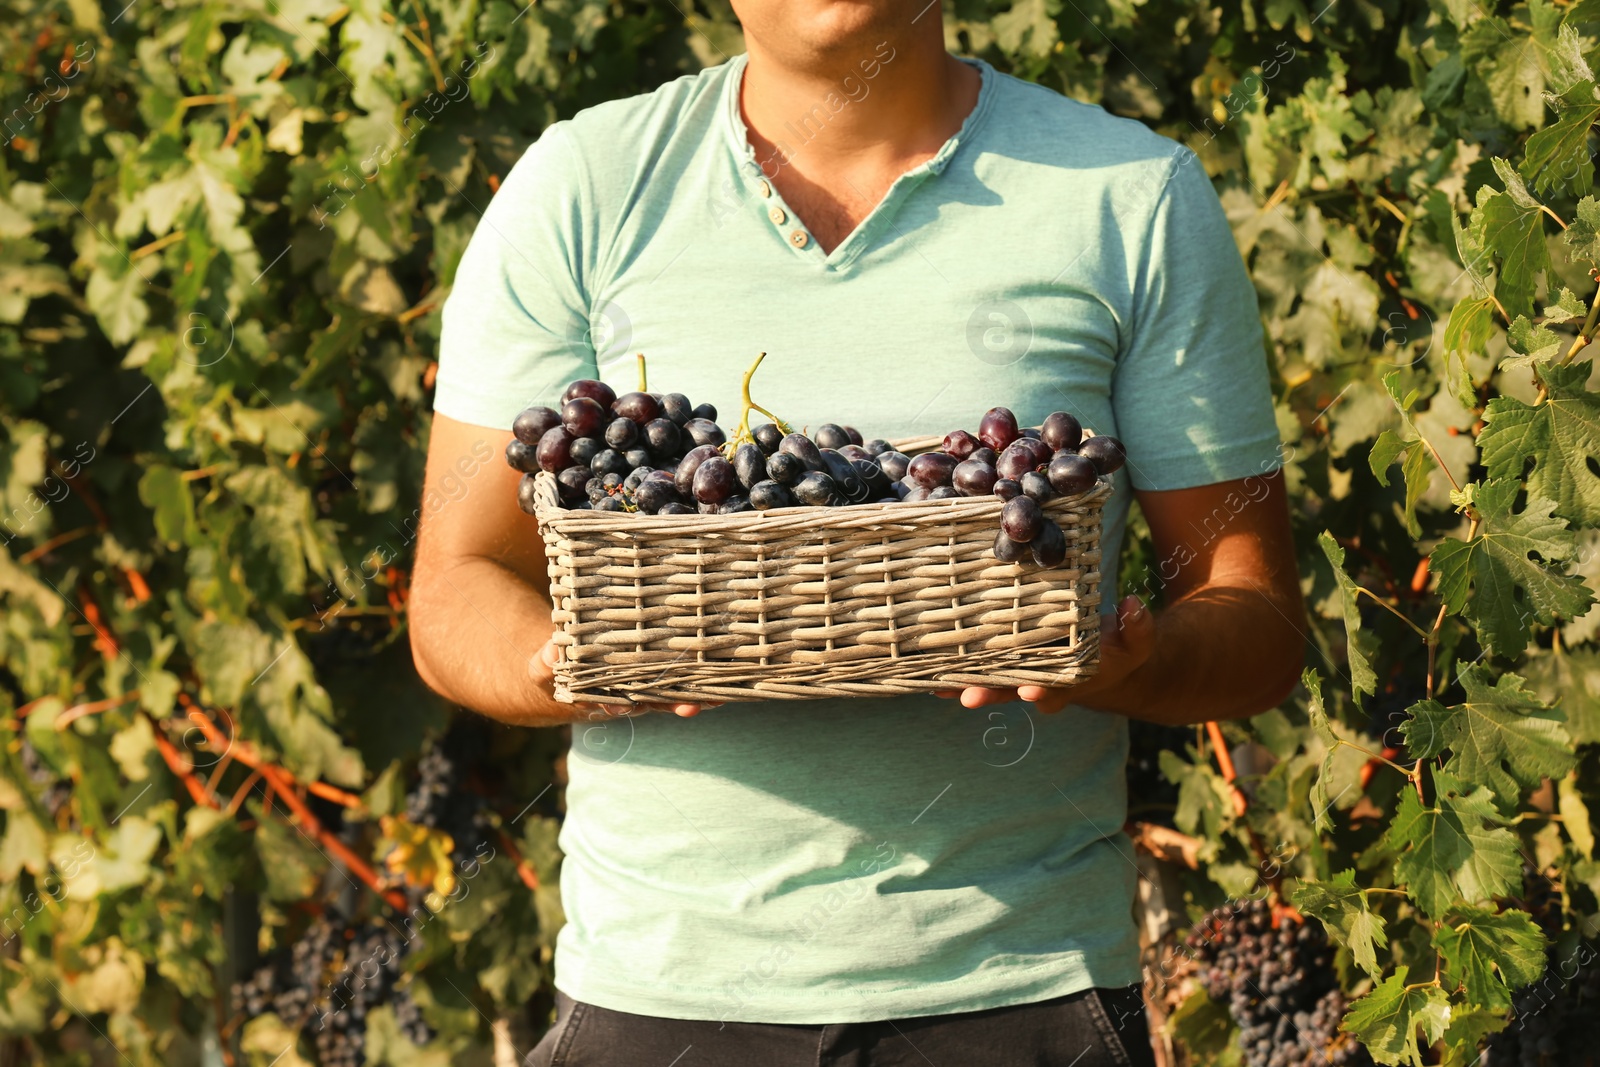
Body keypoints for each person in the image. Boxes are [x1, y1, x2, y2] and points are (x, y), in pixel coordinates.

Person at [410, 1, 1306, 1063]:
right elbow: (453, 584)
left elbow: (1255, 615)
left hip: (1019, 994)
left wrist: (1124, 665)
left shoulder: (1131, 198)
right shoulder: (582, 187)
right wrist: (560, 659)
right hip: (657, 1001)